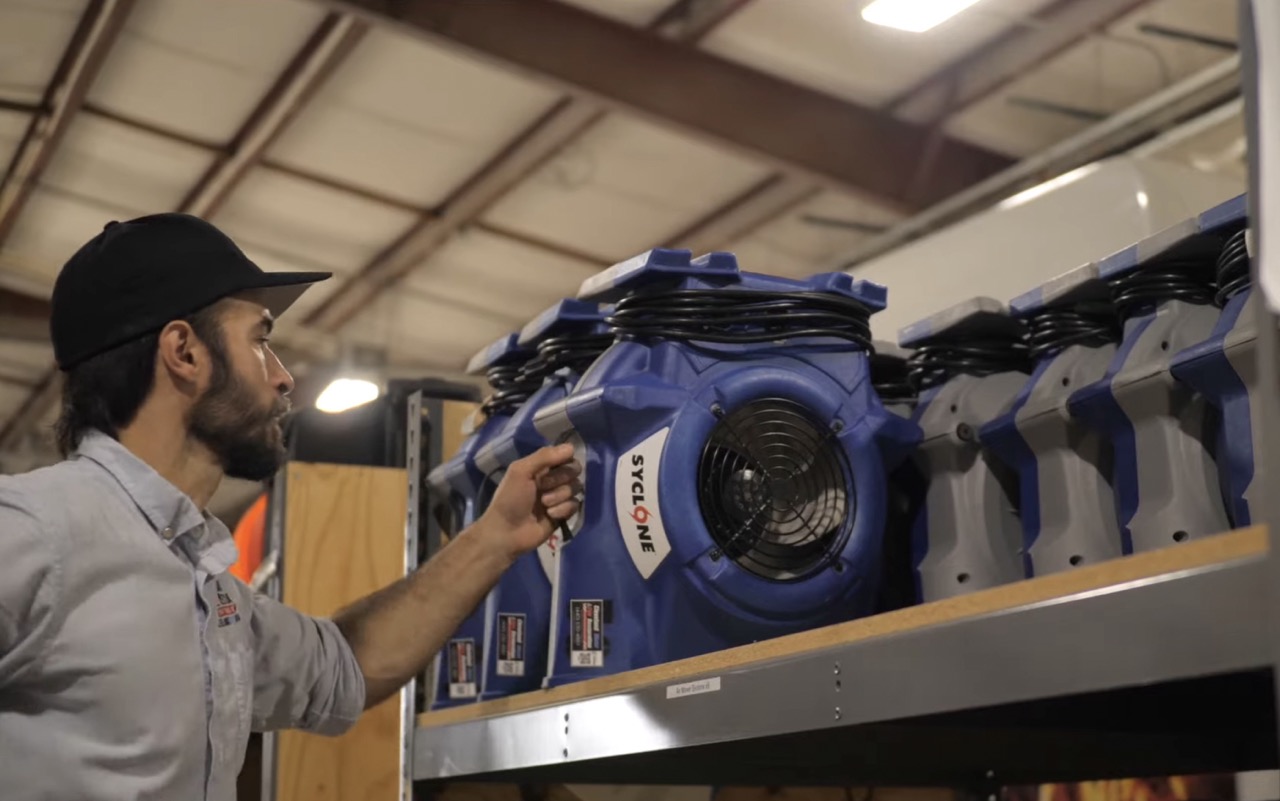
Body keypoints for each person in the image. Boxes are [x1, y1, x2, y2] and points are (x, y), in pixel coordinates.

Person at [0, 214, 581, 801]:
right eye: (259, 339)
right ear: (184, 352)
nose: (282, 377)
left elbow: (346, 666)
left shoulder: (204, 587)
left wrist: (495, 535)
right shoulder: (33, 530)